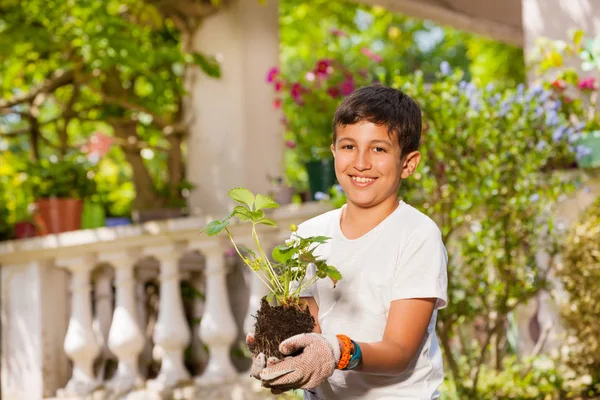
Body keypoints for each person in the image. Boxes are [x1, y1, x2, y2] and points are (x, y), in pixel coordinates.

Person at [247, 84, 448, 399]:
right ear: (333, 152)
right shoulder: (309, 236)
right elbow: (308, 329)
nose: (361, 162)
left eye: (379, 149)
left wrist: (337, 351)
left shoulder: (417, 234)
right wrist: (279, 351)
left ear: (408, 164)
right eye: (349, 146)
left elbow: (400, 352)